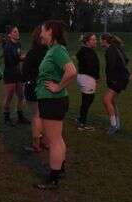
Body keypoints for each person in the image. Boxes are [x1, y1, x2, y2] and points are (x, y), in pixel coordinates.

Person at [33, 20, 77, 190]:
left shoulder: (57, 50)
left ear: (50, 31)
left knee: (54, 140)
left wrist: (58, 87)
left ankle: (53, 179)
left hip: (52, 100)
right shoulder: (54, 50)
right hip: (52, 100)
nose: (40, 34)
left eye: (42, 31)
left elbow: (71, 71)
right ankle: (59, 170)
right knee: (57, 138)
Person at [22, 26, 48, 152]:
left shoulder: (32, 53)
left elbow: (24, 71)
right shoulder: (50, 51)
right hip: (48, 87)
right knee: (43, 115)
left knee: (36, 116)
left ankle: (36, 144)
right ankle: (45, 141)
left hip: (34, 86)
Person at [101, 33, 130, 135]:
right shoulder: (116, 48)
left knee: (106, 100)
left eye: (101, 40)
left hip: (118, 79)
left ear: (105, 41)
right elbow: (126, 60)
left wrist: (112, 79)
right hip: (122, 78)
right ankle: (117, 124)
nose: (101, 42)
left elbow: (111, 66)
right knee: (112, 101)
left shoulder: (110, 50)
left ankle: (113, 125)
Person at [2, 25, 29, 126]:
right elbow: (11, 61)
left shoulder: (18, 44)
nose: (17, 33)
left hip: (18, 73)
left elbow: (19, 56)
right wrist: (23, 57)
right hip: (10, 73)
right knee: (9, 96)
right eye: (14, 32)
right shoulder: (7, 46)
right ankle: (6, 118)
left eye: (17, 31)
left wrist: (22, 57)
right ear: (9, 34)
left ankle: (20, 116)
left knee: (21, 95)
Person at [75, 33, 100, 131]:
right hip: (87, 78)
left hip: (83, 77)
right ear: (87, 41)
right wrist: (97, 77)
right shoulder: (87, 51)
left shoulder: (85, 50)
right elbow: (91, 67)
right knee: (87, 100)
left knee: (87, 99)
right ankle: (82, 123)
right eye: (93, 39)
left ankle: (81, 119)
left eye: (95, 39)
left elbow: (78, 56)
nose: (95, 41)